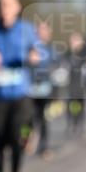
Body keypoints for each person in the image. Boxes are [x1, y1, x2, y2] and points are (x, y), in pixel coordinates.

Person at [0, 0, 38, 172]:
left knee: (18, 137)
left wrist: (33, 56)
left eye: (8, 4)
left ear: (17, 7)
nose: (4, 8)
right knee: (1, 137)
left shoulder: (27, 30)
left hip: (20, 93)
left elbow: (37, 52)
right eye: (0, 4)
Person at [27, 20, 54, 158]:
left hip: (45, 89)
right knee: (27, 118)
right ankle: (25, 141)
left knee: (42, 118)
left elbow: (56, 67)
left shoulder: (51, 49)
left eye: (45, 30)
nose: (42, 32)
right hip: (30, 88)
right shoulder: (29, 47)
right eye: (39, 30)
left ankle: (44, 146)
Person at [65, 31, 86, 139]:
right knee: (72, 106)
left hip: (82, 85)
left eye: (77, 40)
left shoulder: (85, 54)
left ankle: (80, 124)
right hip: (71, 85)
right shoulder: (67, 55)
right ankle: (73, 123)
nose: (74, 43)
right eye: (72, 41)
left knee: (80, 106)